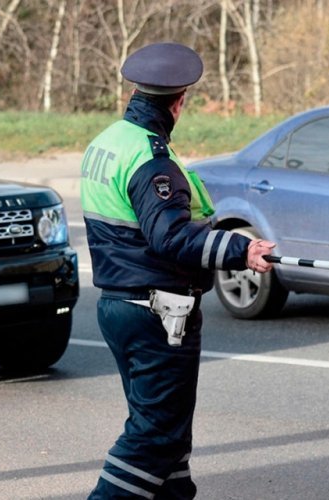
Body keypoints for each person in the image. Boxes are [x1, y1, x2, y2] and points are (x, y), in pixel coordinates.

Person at [81, 42, 276, 499]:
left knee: (167, 437)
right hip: (158, 313)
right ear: (179, 101)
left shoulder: (107, 141)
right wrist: (240, 250)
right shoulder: (152, 160)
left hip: (120, 305)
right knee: (153, 438)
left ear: (134, 92)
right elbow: (170, 236)